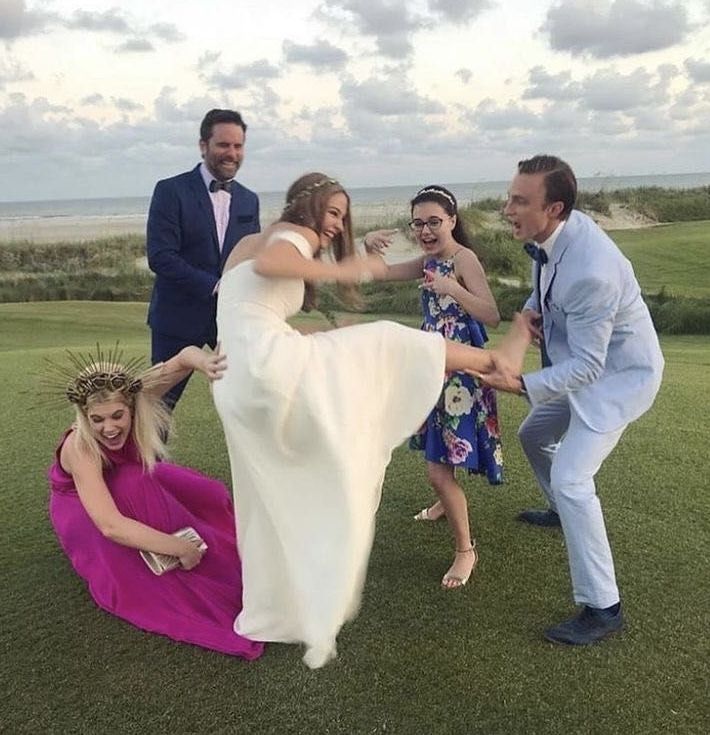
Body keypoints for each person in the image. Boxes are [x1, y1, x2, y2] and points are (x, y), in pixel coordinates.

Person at [212, 172, 531, 668]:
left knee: (276, 489)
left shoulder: (253, 242)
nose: (336, 224)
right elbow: (281, 262)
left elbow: (246, 306)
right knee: (387, 340)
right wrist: (350, 265)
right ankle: (499, 364)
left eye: (343, 216)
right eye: (333, 213)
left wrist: (356, 266)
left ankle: (277, 604)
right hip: (261, 366)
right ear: (306, 205)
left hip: (237, 378)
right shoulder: (285, 237)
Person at [485, 154, 664, 645]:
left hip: (618, 380)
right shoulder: (560, 234)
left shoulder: (594, 269)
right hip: (583, 370)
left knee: (572, 476)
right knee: (533, 434)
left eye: (520, 201)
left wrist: (520, 384)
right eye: (509, 196)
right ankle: (559, 512)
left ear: (555, 207)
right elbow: (544, 290)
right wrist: (525, 319)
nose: (507, 208)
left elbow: (588, 366)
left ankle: (603, 608)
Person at [47, 344, 263, 660]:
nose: (109, 428)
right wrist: (179, 548)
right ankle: (184, 562)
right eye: (97, 420)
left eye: (118, 416)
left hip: (128, 472)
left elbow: (184, 357)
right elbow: (110, 525)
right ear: (84, 417)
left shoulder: (140, 393)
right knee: (138, 490)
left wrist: (206, 363)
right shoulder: (79, 448)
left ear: (132, 407)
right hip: (84, 508)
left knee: (210, 493)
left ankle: (228, 547)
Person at [363, 185, 502, 589]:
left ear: (453, 221)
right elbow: (381, 275)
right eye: (418, 223)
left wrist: (453, 289)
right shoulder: (427, 260)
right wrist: (369, 247)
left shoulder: (464, 259)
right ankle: (445, 503)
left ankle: (465, 550)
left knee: (438, 466)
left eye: (434, 222)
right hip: (430, 364)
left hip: (460, 372)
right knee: (440, 446)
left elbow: (492, 315)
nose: (426, 230)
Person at [146, 108, 260, 410]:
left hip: (230, 320)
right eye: (223, 145)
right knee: (157, 406)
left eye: (238, 146)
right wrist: (215, 285)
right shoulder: (170, 191)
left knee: (251, 397)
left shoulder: (250, 200)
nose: (231, 153)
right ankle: (144, 460)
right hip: (177, 320)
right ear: (203, 146)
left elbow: (251, 255)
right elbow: (160, 256)